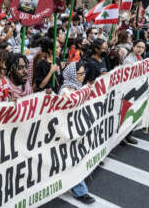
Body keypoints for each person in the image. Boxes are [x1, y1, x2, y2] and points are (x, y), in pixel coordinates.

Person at [59, 62, 96, 204]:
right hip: (67, 132)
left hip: (77, 129)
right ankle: (80, 191)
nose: (83, 76)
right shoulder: (66, 91)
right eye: (80, 74)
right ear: (72, 76)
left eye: (83, 72)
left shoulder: (78, 87)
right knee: (72, 159)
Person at [122, 40, 147, 145]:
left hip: (138, 90)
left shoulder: (140, 58)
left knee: (134, 114)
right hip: (129, 91)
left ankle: (128, 134)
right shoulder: (129, 60)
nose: (140, 49)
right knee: (126, 115)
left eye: (142, 47)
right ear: (133, 47)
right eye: (138, 47)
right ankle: (122, 137)